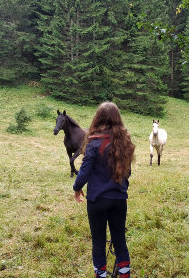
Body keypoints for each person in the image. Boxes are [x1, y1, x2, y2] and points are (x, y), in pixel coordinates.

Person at [73, 102, 135, 278]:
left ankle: (100, 275)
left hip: (97, 201)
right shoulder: (125, 143)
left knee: (98, 242)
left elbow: (84, 171)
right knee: (120, 240)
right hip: (119, 200)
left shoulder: (93, 143)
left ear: (98, 118)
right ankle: (124, 275)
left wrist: (77, 188)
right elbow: (127, 172)